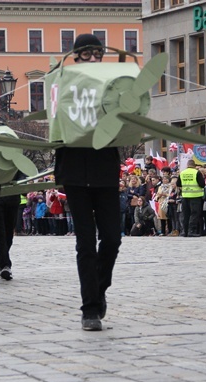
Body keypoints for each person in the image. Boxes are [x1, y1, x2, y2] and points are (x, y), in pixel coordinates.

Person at [54, 33, 122, 331]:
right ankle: (90, 308)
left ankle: (99, 288)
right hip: (74, 170)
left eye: (98, 53)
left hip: (105, 168)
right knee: (85, 242)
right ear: (77, 56)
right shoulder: (64, 82)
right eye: (87, 54)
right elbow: (57, 123)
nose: (93, 58)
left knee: (112, 238)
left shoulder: (111, 83)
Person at [176, 159, 204, 237]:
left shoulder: (182, 173)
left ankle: (185, 231)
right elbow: (202, 184)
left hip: (185, 196)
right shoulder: (197, 172)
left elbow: (178, 183)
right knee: (194, 214)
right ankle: (191, 231)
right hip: (195, 196)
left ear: (187, 165)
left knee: (186, 214)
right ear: (194, 165)